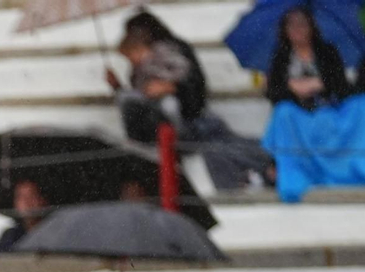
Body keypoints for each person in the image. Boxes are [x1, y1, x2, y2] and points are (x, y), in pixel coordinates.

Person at [109, 11, 273, 189]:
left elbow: (193, 91)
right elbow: (140, 97)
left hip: (187, 119)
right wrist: (118, 87)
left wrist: (171, 87)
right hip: (154, 126)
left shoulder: (174, 52)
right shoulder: (139, 67)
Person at [262, 7, 365, 200]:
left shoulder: (327, 51)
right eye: (292, 25)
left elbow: (342, 87)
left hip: (326, 110)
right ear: (285, 29)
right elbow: (273, 92)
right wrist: (292, 88)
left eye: (302, 24)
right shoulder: (280, 57)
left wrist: (319, 84)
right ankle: (287, 168)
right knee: (283, 113)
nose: (297, 29)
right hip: (296, 112)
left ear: (311, 27)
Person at [0, 180, 49, 253]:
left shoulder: (55, 231)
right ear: (15, 203)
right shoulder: (11, 236)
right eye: (21, 197)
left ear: (42, 200)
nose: (27, 202)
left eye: (32, 195)